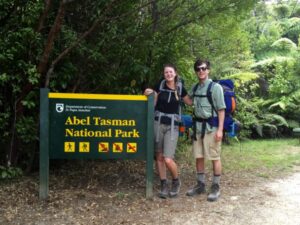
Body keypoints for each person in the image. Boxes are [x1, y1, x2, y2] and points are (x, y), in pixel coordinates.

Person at [144, 63, 192, 198]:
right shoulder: (160, 84)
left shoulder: (180, 87)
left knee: (168, 159)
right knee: (158, 156)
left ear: (175, 73)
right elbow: (152, 102)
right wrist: (149, 93)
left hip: (173, 125)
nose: (168, 74)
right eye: (166, 72)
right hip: (158, 123)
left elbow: (189, 101)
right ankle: (164, 184)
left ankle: (176, 181)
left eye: (171, 72)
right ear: (164, 74)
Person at [186, 59, 225, 202]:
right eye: (198, 69)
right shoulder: (195, 87)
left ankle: (215, 186)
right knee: (199, 156)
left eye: (203, 68)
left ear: (208, 70)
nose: (200, 71)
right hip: (197, 129)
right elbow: (189, 101)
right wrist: (177, 88)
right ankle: (200, 185)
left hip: (211, 129)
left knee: (214, 157)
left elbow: (221, 110)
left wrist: (220, 130)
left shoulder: (216, 88)